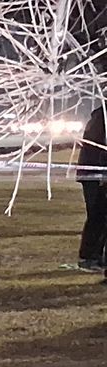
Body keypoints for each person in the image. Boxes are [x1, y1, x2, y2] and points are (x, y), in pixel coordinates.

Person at [75, 106, 106, 273]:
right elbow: (96, 147)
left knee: (102, 216)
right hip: (95, 175)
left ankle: (97, 257)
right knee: (97, 215)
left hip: (98, 173)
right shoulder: (101, 117)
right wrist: (101, 173)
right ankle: (88, 257)